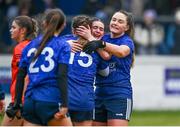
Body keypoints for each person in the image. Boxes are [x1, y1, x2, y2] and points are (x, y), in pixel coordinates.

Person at [9, 8, 72, 126]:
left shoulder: (29, 46)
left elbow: (20, 77)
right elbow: (61, 75)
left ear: (44, 23)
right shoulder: (63, 45)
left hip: (30, 102)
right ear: (63, 25)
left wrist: (17, 104)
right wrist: (65, 104)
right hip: (50, 101)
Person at [76, 10, 135, 126]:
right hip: (99, 94)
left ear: (127, 27)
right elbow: (105, 55)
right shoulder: (103, 37)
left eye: (120, 21)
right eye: (114, 20)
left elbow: (121, 52)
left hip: (119, 94)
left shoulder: (127, 41)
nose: (115, 23)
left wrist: (100, 44)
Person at [63, 15, 109, 126]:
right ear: (89, 30)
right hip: (84, 100)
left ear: (73, 30)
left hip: (62, 99)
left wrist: (65, 45)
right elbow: (105, 72)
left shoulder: (62, 42)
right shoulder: (98, 50)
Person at [1, 15, 38, 126]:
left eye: (13, 27)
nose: (10, 30)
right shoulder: (35, 46)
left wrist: (18, 102)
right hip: (34, 101)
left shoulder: (20, 48)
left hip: (20, 101)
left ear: (22, 30)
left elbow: (26, 76)